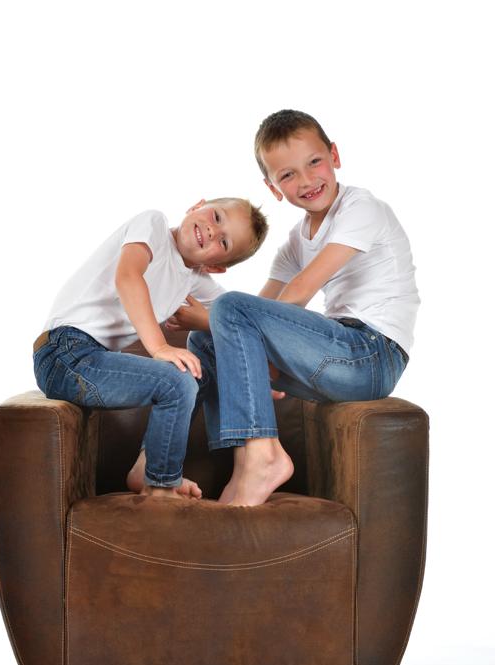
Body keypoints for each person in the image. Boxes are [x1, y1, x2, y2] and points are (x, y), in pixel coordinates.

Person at [171, 109, 420, 506]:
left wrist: (217, 322)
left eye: (314, 162)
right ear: (273, 187)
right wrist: (238, 347)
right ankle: (223, 460)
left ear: (334, 155)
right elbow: (261, 309)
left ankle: (262, 457)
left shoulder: (361, 208)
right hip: (332, 357)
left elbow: (299, 291)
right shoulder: (296, 241)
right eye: (287, 174)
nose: (306, 181)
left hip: (371, 355)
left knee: (228, 310)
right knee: (205, 341)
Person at [32, 197, 268, 500]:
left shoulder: (195, 281)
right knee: (176, 381)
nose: (212, 231)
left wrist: (264, 372)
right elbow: (128, 277)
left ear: (215, 266)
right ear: (197, 205)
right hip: (63, 352)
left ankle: (148, 467)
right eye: (217, 216)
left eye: (224, 242)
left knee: (196, 374)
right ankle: (161, 485)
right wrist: (159, 347)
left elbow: (238, 322)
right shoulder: (154, 225)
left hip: (96, 358)